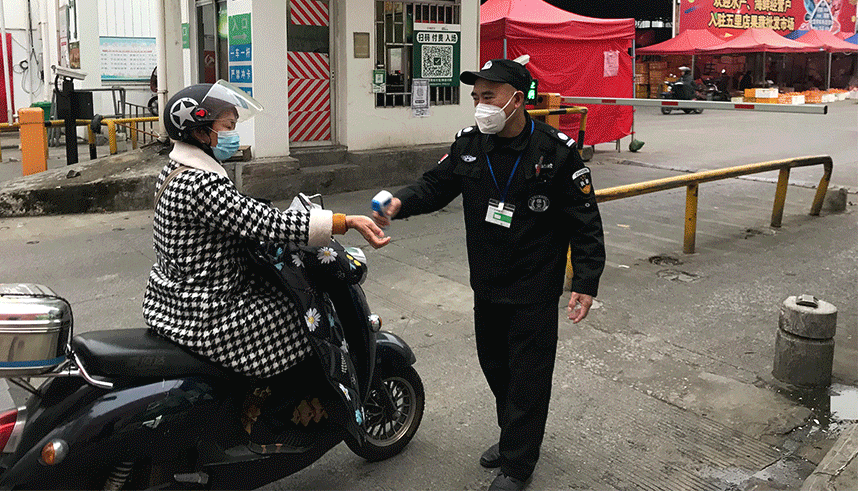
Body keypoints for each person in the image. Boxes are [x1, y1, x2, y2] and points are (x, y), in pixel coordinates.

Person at [371, 59, 606, 491]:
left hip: (534, 286)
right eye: (476, 97)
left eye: (489, 96)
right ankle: (514, 436)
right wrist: (399, 203)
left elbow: (584, 220)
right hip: (488, 282)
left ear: (516, 99)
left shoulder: (555, 151)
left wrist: (585, 283)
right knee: (496, 367)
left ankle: (518, 464)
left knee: (528, 378)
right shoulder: (470, 144)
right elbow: (434, 185)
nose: (480, 105)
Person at [144, 81, 389, 438]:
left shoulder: (177, 171)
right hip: (207, 309)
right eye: (227, 126)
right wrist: (343, 221)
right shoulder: (200, 184)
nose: (233, 134)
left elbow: (237, 213)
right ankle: (269, 414)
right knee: (303, 320)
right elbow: (266, 223)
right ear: (199, 131)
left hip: (175, 297)